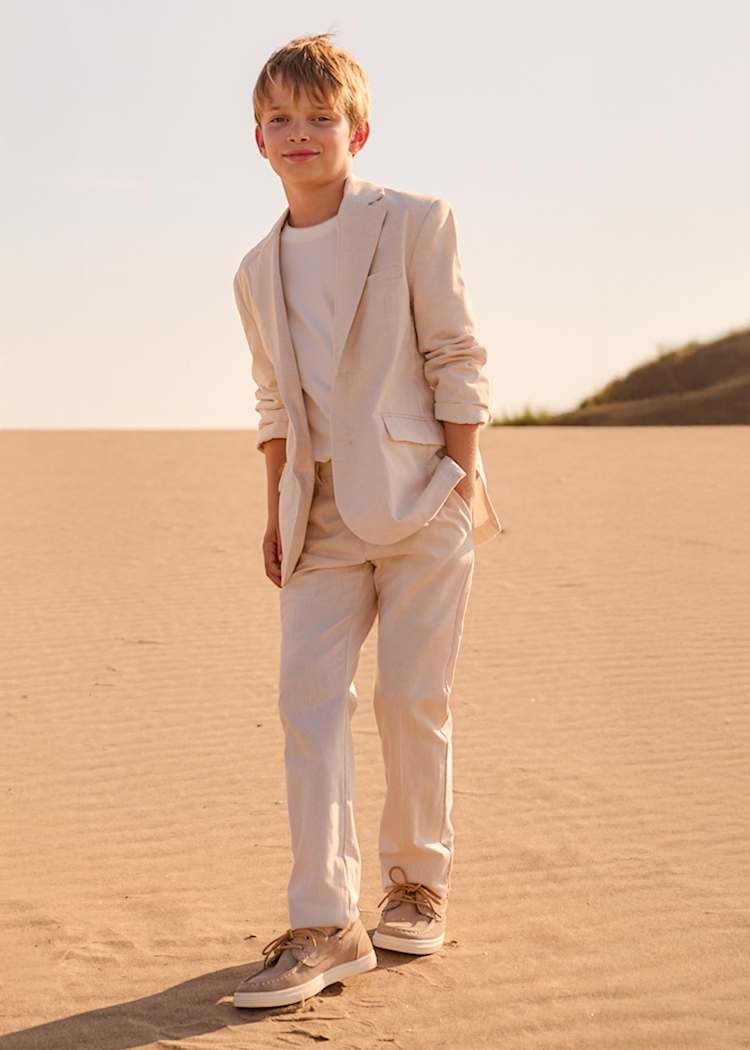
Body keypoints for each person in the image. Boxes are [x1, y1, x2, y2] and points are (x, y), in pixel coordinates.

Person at [231, 31, 502, 1010]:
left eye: (319, 117)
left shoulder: (417, 221)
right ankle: (324, 922)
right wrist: (276, 506)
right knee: (307, 706)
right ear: (257, 138)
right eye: (280, 118)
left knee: (410, 699)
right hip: (317, 514)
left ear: (359, 131)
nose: (299, 132)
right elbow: (273, 401)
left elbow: (458, 355)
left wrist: (457, 481)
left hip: (422, 495)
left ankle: (417, 884)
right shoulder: (252, 270)